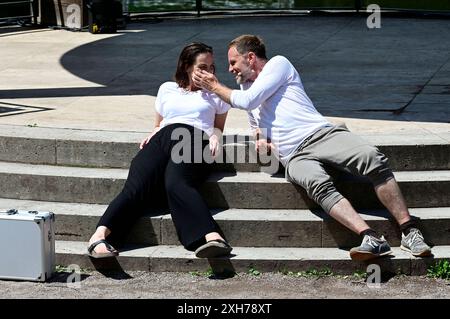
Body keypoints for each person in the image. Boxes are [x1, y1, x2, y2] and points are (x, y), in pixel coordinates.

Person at [192, 34, 432, 261]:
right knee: (318, 185)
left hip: (321, 134)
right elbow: (255, 122)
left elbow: (247, 101)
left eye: (233, 62)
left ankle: (409, 230)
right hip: (293, 155)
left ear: (251, 57)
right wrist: (260, 139)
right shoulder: (245, 89)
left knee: (372, 158)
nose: (230, 69)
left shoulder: (279, 64)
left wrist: (214, 86)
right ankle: (369, 237)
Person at [88, 42, 233, 259]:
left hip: (192, 137)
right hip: (162, 138)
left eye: (211, 67)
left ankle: (211, 237)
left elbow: (218, 128)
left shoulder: (216, 95)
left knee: (176, 182)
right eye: (203, 67)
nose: (208, 73)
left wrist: (214, 136)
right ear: (187, 66)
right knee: (135, 187)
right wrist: (153, 132)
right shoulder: (167, 88)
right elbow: (159, 124)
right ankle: (99, 237)